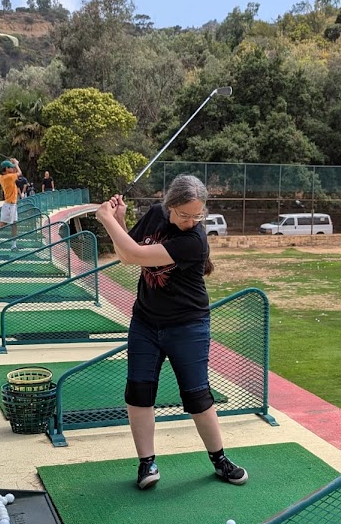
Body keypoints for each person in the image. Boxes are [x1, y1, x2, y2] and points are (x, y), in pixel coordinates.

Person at [95, 174, 248, 490]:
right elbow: (128, 250)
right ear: (169, 206)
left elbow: (133, 255)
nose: (191, 222)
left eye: (197, 216)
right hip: (145, 322)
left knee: (197, 395)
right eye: (184, 215)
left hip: (187, 325)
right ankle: (146, 464)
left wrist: (105, 219)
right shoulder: (155, 214)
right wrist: (119, 219)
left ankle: (219, 459)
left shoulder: (195, 240)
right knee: (138, 392)